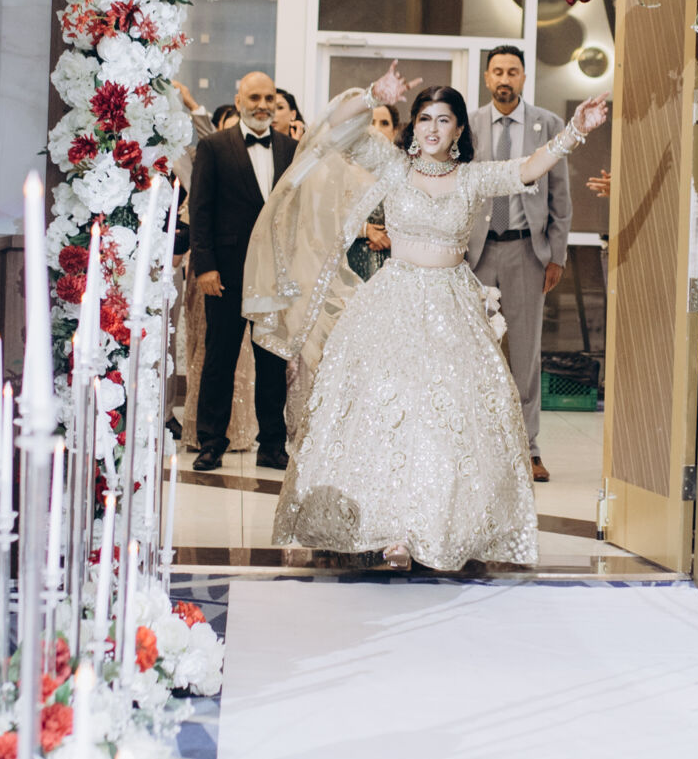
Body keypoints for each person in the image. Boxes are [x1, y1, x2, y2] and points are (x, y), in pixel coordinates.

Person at [246, 62, 609, 570]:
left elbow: (529, 168)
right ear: (412, 126)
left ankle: (433, 527)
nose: (432, 129)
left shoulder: (472, 178)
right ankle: (386, 528)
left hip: (452, 307)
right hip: (391, 303)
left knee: (444, 422)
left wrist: (575, 131)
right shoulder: (392, 165)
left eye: (443, 120)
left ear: (459, 131)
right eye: (423, 119)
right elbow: (339, 127)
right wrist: (374, 94)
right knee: (386, 415)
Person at [467, 46, 572, 483]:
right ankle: (476, 447)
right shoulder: (469, 124)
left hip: (527, 251)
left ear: (524, 78)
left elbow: (560, 194)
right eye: (497, 72)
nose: (504, 79)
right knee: (475, 352)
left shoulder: (548, 124)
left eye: (512, 71)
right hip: (477, 253)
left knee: (525, 354)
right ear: (487, 78)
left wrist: (556, 254)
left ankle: (528, 450)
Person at [187, 71, 298, 471]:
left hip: (274, 276)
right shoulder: (214, 146)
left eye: (269, 98)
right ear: (239, 101)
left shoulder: (291, 149)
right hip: (226, 273)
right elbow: (200, 210)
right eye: (254, 98)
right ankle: (211, 442)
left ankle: (272, 444)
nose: (262, 105)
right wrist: (205, 267)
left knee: (272, 362)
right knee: (220, 359)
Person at [345, 101, 397, 281]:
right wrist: (364, 230)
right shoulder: (347, 167)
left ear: (394, 131)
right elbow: (328, 216)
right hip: (353, 256)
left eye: (384, 123)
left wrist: (396, 239)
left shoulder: (404, 171)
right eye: (371, 122)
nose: (377, 129)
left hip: (395, 262)